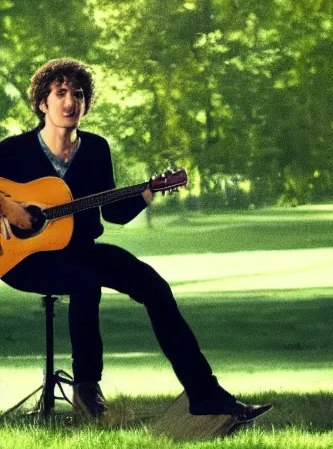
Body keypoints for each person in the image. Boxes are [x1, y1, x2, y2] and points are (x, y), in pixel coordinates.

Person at [0, 58, 271, 420]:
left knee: (153, 286)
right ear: (42, 104)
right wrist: (8, 206)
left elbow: (111, 212)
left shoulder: (95, 149)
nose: (70, 102)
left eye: (78, 95)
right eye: (60, 93)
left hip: (81, 251)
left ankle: (205, 395)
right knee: (86, 281)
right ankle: (87, 388)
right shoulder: (15, 150)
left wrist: (146, 193)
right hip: (22, 258)